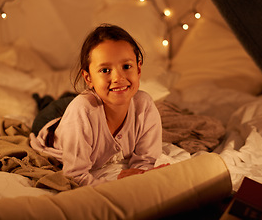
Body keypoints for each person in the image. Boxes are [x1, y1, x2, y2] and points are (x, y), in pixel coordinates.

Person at [30, 24, 163, 186]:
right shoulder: (81, 111)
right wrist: (115, 186)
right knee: (55, 105)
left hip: (90, 103)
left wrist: (138, 175)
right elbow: (74, 175)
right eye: (105, 70)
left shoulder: (145, 105)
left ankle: (68, 97)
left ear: (139, 69)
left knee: (74, 101)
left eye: (127, 67)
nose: (118, 78)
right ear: (88, 78)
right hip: (51, 122)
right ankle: (44, 99)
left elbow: (147, 161)